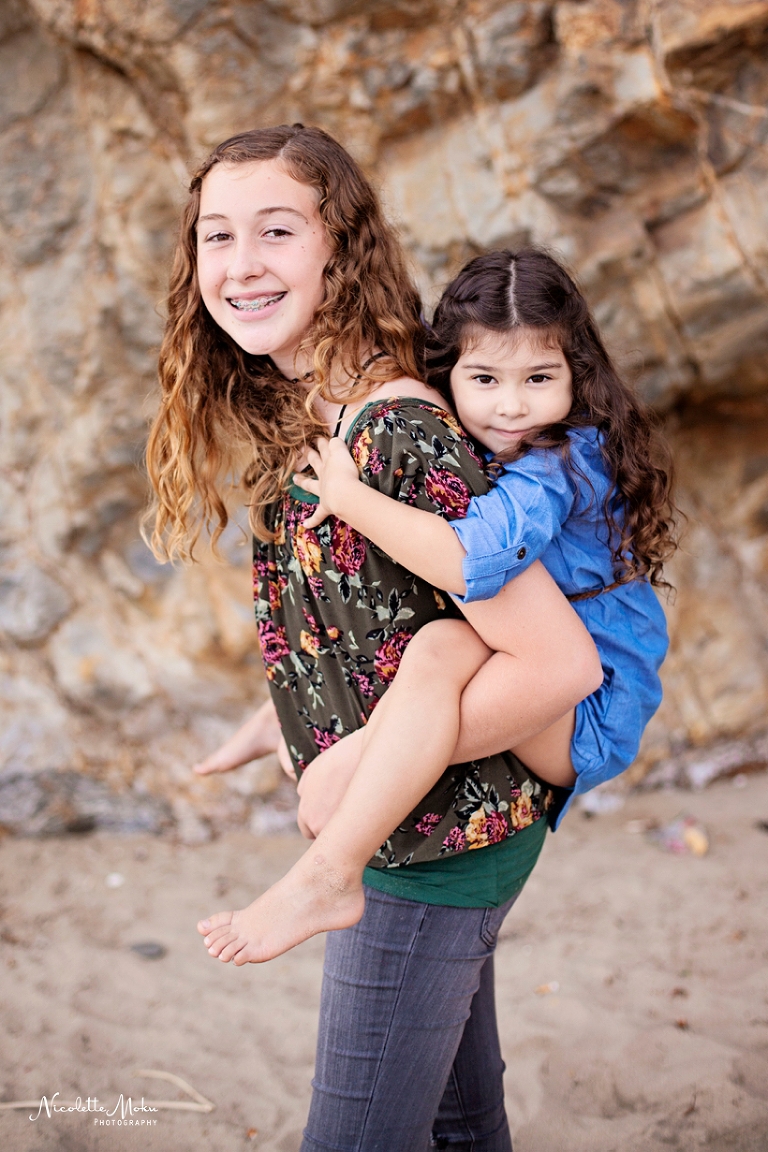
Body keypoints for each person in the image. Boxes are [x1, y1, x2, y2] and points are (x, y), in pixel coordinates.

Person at [146, 123, 603, 1152]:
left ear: (337, 249)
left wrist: (353, 765)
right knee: (458, 1129)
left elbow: (559, 663)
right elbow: (397, 626)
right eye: (216, 237)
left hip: (430, 846)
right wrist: (285, 718)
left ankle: (322, 881)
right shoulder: (316, 411)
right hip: (437, 827)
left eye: (275, 230)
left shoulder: (396, 434)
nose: (240, 264)